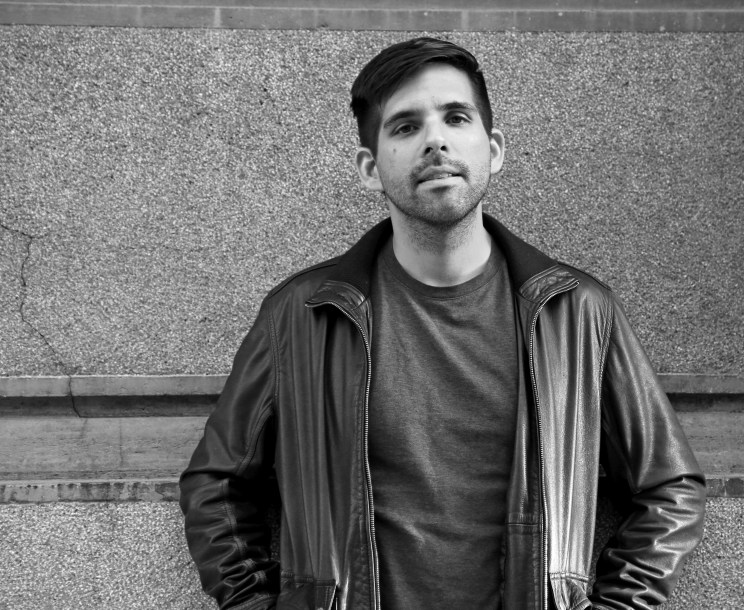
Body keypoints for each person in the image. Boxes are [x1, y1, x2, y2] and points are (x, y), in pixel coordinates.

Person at [179, 37, 706, 610]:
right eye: (406, 127)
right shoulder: (301, 314)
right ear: (370, 168)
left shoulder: (576, 312)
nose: (436, 140)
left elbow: (670, 488)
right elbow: (216, 485)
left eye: (456, 118)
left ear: (493, 149)